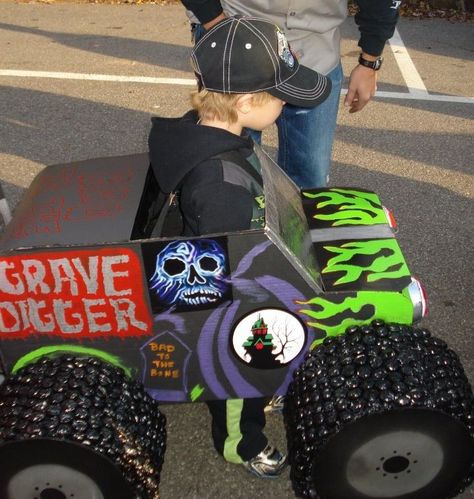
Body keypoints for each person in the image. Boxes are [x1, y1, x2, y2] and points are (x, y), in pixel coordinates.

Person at [148, 16, 330, 478]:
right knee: (242, 365)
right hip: (214, 299)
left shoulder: (209, 133)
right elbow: (226, 282)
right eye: (281, 97)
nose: (286, 105)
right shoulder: (220, 185)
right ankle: (239, 441)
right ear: (248, 101)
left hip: (219, 252)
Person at [180, 0, 401, 188]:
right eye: (280, 96)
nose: (284, 99)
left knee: (310, 177)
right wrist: (220, 25)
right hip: (235, 32)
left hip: (315, 43)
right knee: (228, 172)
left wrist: (370, 60)